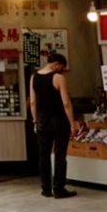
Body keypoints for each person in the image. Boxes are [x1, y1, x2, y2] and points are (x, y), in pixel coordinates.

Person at [29, 53, 76, 199]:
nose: (61, 70)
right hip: (59, 121)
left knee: (44, 156)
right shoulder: (59, 78)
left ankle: (46, 188)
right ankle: (59, 188)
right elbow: (66, 103)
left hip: (42, 121)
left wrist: (35, 121)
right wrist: (72, 123)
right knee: (60, 155)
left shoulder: (34, 77)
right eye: (61, 67)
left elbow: (32, 101)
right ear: (56, 64)